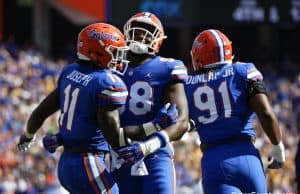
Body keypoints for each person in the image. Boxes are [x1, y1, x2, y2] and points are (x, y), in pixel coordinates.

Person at [17, 22, 178, 194]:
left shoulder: (70, 72)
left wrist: (29, 136)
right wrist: (155, 125)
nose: (120, 58)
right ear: (96, 53)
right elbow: (115, 138)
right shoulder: (106, 82)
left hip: (65, 164)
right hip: (89, 163)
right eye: (115, 52)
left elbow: (40, 113)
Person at [184, 29, 285, 193]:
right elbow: (265, 112)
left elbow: (183, 121)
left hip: (214, 160)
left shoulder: (187, 84)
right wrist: (278, 146)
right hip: (247, 156)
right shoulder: (243, 71)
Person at [111, 12, 189, 194]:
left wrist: (149, 146)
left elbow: (182, 122)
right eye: (137, 29)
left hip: (155, 152)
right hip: (118, 154)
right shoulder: (111, 67)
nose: (140, 34)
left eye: (147, 30)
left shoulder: (168, 67)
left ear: (158, 38)